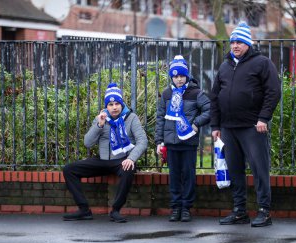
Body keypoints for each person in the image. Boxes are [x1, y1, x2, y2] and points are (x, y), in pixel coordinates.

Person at [210, 21, 281, 227]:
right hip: (228, 128)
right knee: (234, 171)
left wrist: (263, 118)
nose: (235, 46)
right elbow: (214, 97)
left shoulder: (262, 63)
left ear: (248, 43)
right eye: (232, 42)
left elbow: (273, 92)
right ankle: (240, 211)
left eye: (239, 42)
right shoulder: (224, 66)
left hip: (253, 126)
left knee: (259, 169)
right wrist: (216, 126)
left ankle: (264, 211)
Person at [62, 83, 148, 223]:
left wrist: (131, 159)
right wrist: (99, 125)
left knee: (128, 170)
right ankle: (84, 209)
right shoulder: (101, 119)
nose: (114, 107)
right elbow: (87, 143)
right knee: (69, 170)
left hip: (122, 160)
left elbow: (142, 141)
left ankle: (115, 210)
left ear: (121, 104)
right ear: (106, 106)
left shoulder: (131, 118)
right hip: (102, 160)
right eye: (111, 104)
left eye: (117, 103)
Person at [155, 55, 210, 222]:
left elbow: (209, 109)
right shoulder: (166, 94)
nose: (179, 79)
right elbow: (160, 118)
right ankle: (175, 207)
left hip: (188, 142)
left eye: (182, 76)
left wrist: (196, 124)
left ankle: (186, 208)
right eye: (175, 76)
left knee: (188, 175)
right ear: (171, 77)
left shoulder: (196, 92)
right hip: (171, 143)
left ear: (187, 75)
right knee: (174, 176)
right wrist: (159, 141)